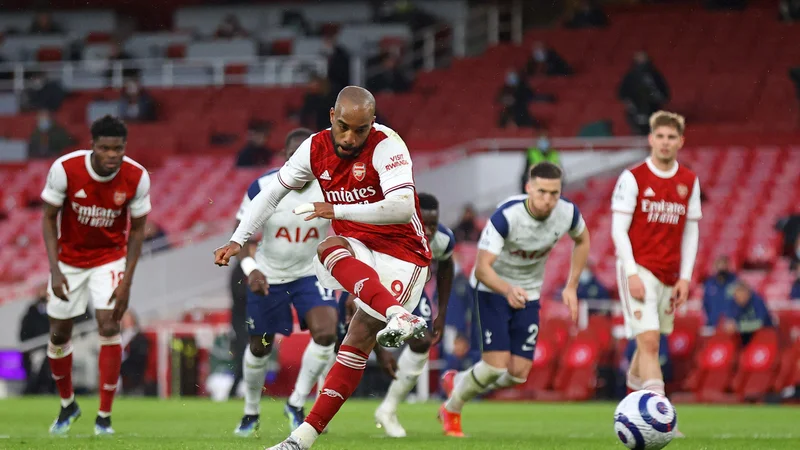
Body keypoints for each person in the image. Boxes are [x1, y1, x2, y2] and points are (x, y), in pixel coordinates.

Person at [214, 86, 431, 450]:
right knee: (328, 246)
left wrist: (338, 210)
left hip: (402, 253)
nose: (350, 138)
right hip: (356, 246)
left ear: (372, 124)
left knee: (357, 338)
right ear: (332, 115)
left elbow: (402, 207)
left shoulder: (387, 144)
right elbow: (271, 193)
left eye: (360, 130)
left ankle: (302, 435)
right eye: (343, 126)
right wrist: (239, 239)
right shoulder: (314, 147)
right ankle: (398, 315)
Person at [439, 161, 590, 437]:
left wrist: (571, 286)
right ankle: (452, 409)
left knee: (518, 374)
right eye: (542, 192)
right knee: (495, 367)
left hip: (529, 293)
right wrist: (508, 290)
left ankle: (459, 380)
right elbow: (483, 268)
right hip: (492, 290)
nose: (548, 200)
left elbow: (583, 239)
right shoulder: (507, 216)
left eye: (554, 193)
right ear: (528, 188)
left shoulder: (567, 213)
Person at [40, 115, 151, 435]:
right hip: (69, 261)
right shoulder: (65, 169)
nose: (112, 155)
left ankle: (104, 416)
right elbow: (48, 219)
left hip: (109, 259)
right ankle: (68, 404)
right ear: (93, 146)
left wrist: (127, 282)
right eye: (105, 148)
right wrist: (55, 270)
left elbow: (139, 229)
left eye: (118, 148)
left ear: (124, 147)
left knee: (109, 323)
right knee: (59, 334)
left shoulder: (136, 176)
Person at [231, 127, 340, 436]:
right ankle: (251, 411)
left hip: (311, 273)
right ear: (285, 157)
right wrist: (252, 269)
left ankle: (295, 403)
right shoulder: (263, 186)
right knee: (261, 347)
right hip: (269, 275)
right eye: (294, 156)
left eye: (307, 157)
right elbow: (241, 235)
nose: (300, 163)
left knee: (326, 333)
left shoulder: (331, 187)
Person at [610, 110, 701, 437]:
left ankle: (631, 400)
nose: (665, 142)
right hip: (638, 268)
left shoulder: (689, 181)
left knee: (650, 341)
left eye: (671, 137)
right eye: (659, 136)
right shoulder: (633, 177)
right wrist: (632, 273)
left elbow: (691, 232)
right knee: (649, 341)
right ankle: (662, 418)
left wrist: (685, 277)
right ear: (651, 139)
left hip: (668, 274)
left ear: (680, 141)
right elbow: (618, 230)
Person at [369, 192, 455, 437]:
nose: (428, 231)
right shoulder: (390, 231)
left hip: (411, 289)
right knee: (338, 340)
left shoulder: (443, 240)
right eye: (423, 223)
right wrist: (381, 351)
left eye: (433, 225)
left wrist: (442, 313)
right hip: (376, 283)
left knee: (423, 341)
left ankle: (388, 408)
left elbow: (446, 266)